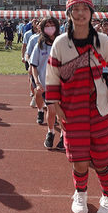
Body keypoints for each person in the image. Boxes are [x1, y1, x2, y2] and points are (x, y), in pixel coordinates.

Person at [45, 0, 108, 213]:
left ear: (91, 13)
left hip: (98, 107)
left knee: (102, 159)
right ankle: (80, 193)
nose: (80, 14)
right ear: (69, 15)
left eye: (85, 9)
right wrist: (55, 106)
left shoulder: (101, 40)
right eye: (75, 10)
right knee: (79, 160)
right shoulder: (61, 43)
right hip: (71, 109)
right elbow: (52, 76)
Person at [30, 16, 64, 150]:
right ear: (43, 28)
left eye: (52, 25)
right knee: (51, 110)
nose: (50, 28)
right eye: (47, 26)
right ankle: (51, 132)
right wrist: (37, 83)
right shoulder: (40, 45)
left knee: (62, 111)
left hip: (62, 84)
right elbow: (33, 65)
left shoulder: (63, 43)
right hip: (46, 84)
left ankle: (64, 136)